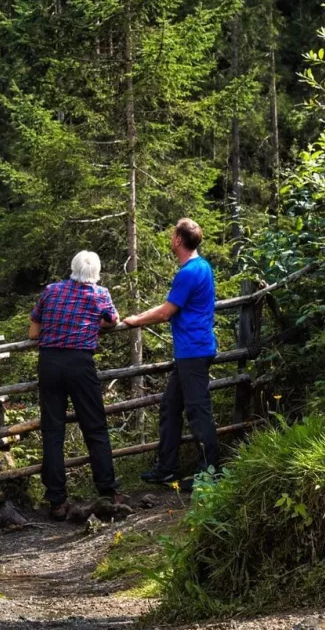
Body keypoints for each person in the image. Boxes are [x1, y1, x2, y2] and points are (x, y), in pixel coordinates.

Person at [120, 218, 220, 488]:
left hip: (193, 351)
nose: (170, 238)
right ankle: (167, 468)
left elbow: (166, 312)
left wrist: (135, 320)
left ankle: (210, 474)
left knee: (198, 412)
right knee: (170, 407)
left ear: (178, 240)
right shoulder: (202, 267)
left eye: (172, 234)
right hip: (192, 349)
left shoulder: (189, 272)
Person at [28, 250, 123, 521]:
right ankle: (107, 491)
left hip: (50, 363)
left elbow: (34, 330)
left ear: (72, 268)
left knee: (53, 432)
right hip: (81, 363)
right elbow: (112, 320)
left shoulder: (51, 290)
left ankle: (57, 501)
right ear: (96, 272)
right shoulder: (99, 294)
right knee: (95, 427)